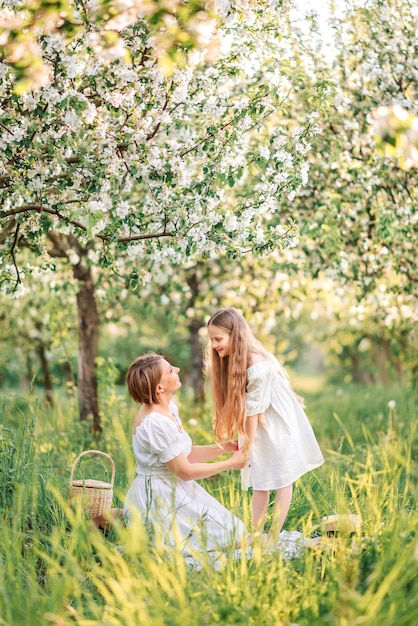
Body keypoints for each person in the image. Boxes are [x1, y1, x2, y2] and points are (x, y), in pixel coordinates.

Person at [207, 308, 325, 543]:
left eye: (218, 339)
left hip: (277, 423)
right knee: (259, 477)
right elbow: (248, 409)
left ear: (235, 335)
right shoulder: (236, 360)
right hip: (259, 422)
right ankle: (258, 532)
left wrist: (247, 445)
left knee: (282, 475)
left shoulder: (257, 364)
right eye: (211, 339)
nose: (213, 345)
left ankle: (273, 534)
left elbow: (254, 410)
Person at [123, 353, 250, 556]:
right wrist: (230, 463)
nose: (178, 369)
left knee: (235, 531)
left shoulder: (167, 408)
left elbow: (184, 455)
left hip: (173, 487)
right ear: (159, 388)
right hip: (160, 495)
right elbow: (185, 471)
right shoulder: (155, 423)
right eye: (171, 370)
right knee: (234, 537)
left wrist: (224, 447)